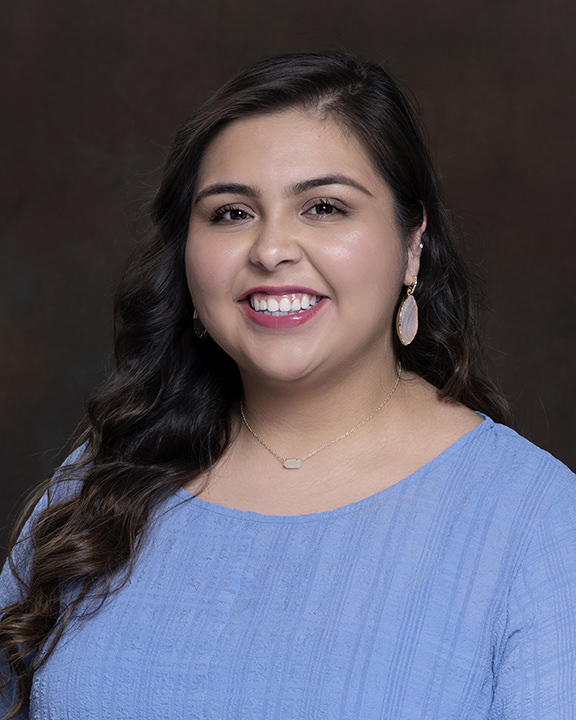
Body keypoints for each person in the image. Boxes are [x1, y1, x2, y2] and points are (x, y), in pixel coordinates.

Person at [1, 52, 574, 720]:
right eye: (231, 213)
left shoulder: (535, 523)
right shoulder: (97, 488)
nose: (271, 249)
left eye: (324, 207)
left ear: (412, 244)